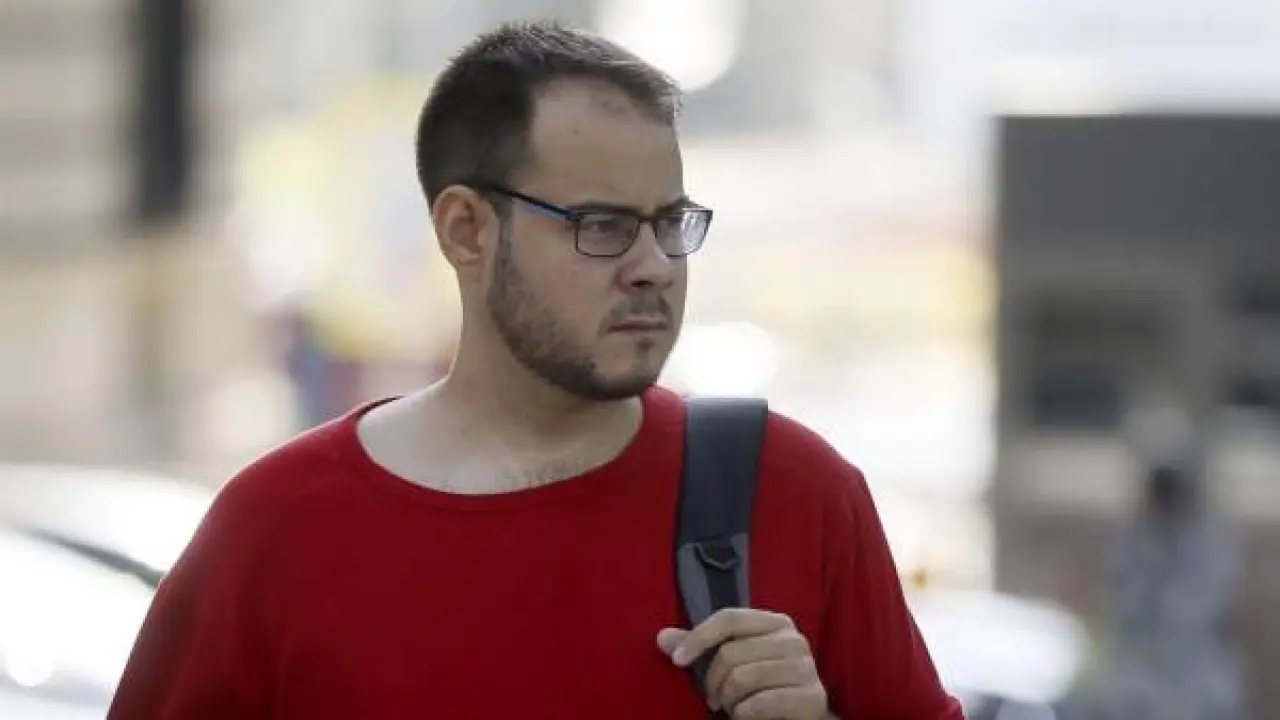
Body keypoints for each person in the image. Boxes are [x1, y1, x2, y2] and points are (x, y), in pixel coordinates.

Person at [107, 21, 961, 720]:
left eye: (669, 223)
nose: (654, 266)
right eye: (601, 226)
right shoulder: (278, 529)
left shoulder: (795, 490)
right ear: (467, 231)